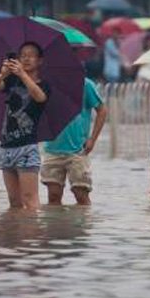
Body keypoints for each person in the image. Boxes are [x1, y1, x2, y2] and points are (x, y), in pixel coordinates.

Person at [0, 42, 50, 210]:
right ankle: (16, 234)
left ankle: (32, 234)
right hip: (6, 146)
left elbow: (40, 97)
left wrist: (23, 75)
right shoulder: (11, 81)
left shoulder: (43, 84)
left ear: (40, 61)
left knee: (30, 200)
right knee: (14, 203)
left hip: (26, 147)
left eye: (31, 55)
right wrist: (2, 75)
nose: (26, 58)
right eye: (22, 55)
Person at [41, 77, 107, 206]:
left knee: (81, 194)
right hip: (52, 148)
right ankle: (55, 226)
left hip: (78, 150)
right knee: (53, 197)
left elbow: (102, 110)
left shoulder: (85, 84)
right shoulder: (46, 83)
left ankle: (83, 224)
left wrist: (92, 139)